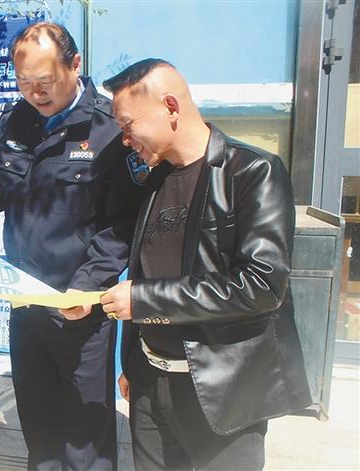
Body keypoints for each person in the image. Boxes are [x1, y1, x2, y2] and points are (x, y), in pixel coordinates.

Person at [74, 58, 311, 470]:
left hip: (223, 390)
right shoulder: (153, 181)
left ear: (170, 107)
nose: (124, 140)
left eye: (128, 126)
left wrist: (144, 301)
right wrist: (134, 365)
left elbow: (261, 286)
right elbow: (147, 268)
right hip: (150, 384)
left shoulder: (252, 172)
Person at [0, 22, 147, 470]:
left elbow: (122, 223)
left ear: (75, 65)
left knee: (85, 442)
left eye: (44, 81)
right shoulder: (17, 120)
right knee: (39, 431)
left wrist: (86, 285)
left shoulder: (108, 129)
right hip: (25, 304)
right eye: (24, 82)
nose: (35, 93)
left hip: (80, 310)